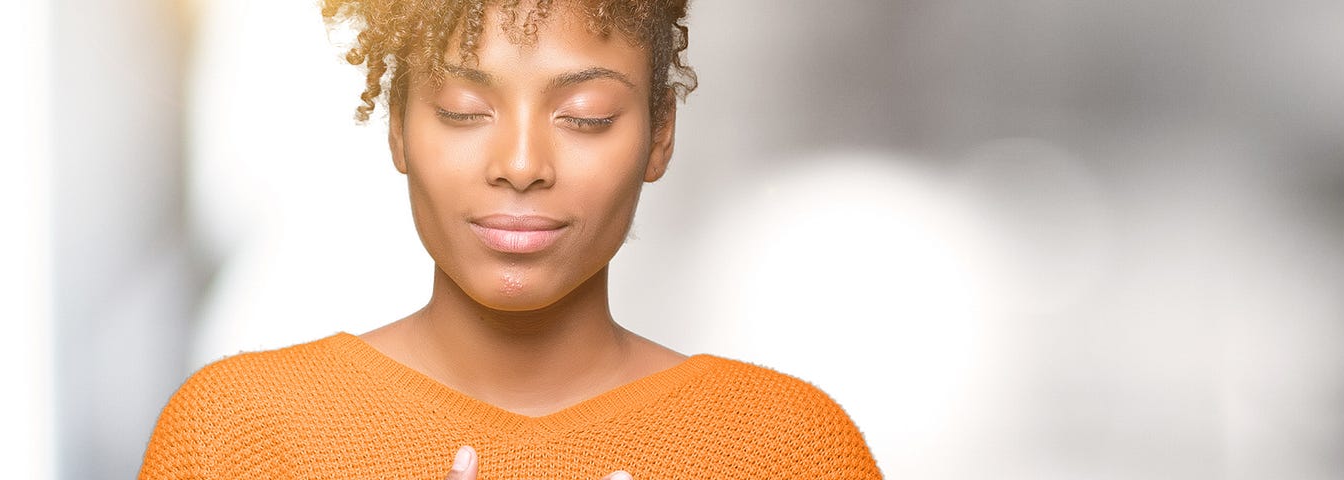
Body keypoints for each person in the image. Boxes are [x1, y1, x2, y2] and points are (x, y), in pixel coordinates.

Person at [139, 0, 882, 478]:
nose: (521, 165)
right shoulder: (234, 439)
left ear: (661, 136)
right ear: (397, 126)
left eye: (586, 114)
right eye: (464, 109)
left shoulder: (789, 452)